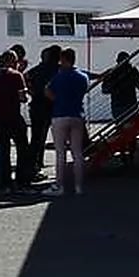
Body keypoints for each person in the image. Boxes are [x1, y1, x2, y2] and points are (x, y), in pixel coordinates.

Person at [44, 48, 89, 197]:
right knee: (77, 153)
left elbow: (47, 91)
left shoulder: (59, 76)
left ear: (64, 59)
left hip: (60, 115)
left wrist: (58, 100)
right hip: (77, 114)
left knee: (60, 152)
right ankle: (79, 186)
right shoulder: (83, 77)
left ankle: (60, 185)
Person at [0, 51, 32, 190]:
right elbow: (22, 98)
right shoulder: (17, 76)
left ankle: (3, 180)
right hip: (13, 116)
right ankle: (21, 179)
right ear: (14, 61)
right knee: (22, 147)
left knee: (3, 147)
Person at [24, 45, 61, 184]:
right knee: (44, 138)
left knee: (37, 138)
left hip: (37, 106)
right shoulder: (57, 69)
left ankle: (35, 165)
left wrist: (31, 90)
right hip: (53, 107)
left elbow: (25, 77)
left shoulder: (38, 69)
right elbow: (77, 73)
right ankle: (35, 166)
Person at [100, 50, 139, 128]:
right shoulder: (131, 71)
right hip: (129, 105)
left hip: (119, 105)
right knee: (131, 130)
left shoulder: (112, 72)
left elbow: (104, 89)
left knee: (122, 130)